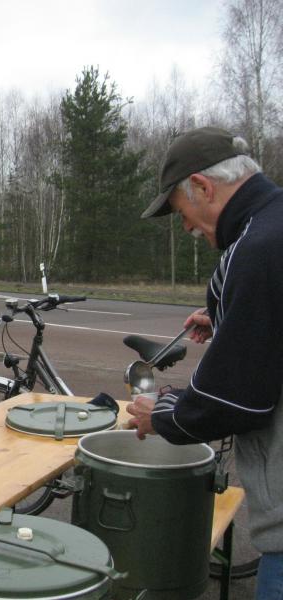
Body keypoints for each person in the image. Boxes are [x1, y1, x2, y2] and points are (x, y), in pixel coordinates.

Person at [126, 126, 283, 599]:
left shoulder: (258, 248)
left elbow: (232, 400)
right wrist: (228, 316)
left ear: (202, 186)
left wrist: (163, 415)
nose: (187, 227)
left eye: (181, 212)